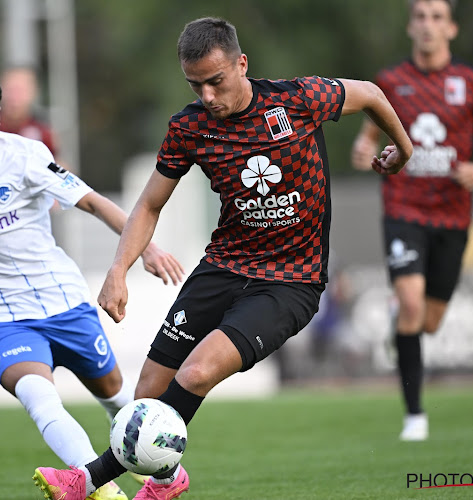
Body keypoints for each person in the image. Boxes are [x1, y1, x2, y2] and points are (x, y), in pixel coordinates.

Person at [32, 16, 413, 500]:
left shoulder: (298, 99)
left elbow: (373, 94)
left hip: (290, 281)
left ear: (241, 64)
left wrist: (402, 150)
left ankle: (84, 481)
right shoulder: (190, 128)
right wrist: (117, 269)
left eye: (216, 82)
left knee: (196, 373)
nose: (208, 97)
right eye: (196, 86)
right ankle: (167, 483)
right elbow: (149, 204)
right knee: (148, 391)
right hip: (223, 268)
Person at [0, 65, 184, 500]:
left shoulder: (27, 155)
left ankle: (168, 476)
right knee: (40, 399)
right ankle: (102, 492)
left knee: (117, 399)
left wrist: (145, 248)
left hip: (63, 302)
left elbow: (92, 201)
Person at [350, 0, 473, 441]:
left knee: (428, 321)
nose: (428, 25)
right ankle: (415, 417)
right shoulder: (390, 82)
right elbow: (365, 141)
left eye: (437, 17)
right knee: (409, 304)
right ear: (410, 26)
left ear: (452, 28)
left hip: (453, 216)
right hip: (404, 210)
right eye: (421, 16)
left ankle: (399, 329)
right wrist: (366, 155)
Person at [0, 66, 58, 157]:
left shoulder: (43, 131)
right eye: (10, 90)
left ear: (33, 92)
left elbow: (56, 164)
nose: (14, 97)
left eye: (20, 90)